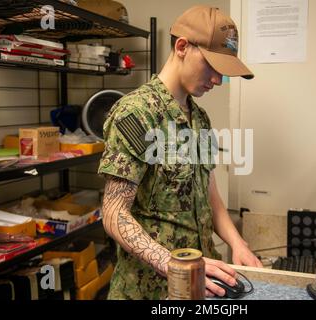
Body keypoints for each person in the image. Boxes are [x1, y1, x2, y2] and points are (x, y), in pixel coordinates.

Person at [98, 5, 263, 300]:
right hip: (149, 290)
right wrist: (169, 263)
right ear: (182, 46)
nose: (217, 80)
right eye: (212, 66)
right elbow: (113, 213)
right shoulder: (137, 113)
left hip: (201, 287)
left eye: (222, 72)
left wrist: (238, 244)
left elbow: (212, 203)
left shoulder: (200, 120)